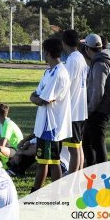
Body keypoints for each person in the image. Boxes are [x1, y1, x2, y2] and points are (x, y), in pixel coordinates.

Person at [30, 38, 72, 192]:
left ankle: (56, 196)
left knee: (53, 162)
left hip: (51, 126)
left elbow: (42, 99)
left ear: (47, 52)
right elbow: (37, 94)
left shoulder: (59, 74)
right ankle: (35, 191)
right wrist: (36, 97)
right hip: (43, 125)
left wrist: (35, 98)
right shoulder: (48, 72)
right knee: (42, 161)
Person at [81, 34, 110, 166]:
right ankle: (92, 174)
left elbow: (98, 91)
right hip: (100, 109)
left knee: (98, 144)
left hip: (99, 110)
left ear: (88, 49)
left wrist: (89, 110)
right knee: (88, 143)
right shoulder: (103, 60)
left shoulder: (100, 63)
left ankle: (102, 177)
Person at [62, 30, 88, 174]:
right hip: (80, 109)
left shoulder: (72, 59)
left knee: (74, 149)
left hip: (73, 110)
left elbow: (65, 83)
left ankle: (72, 177)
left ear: (64, 43)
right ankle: (79, 175)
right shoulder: (81, 57)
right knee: (78, 146)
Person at [0, 103, 23, 168]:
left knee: (0, 149)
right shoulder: (0, 123)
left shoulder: (8, 124)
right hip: (8, 147)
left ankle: (7, 165)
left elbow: (2, 144)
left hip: (17, 150)